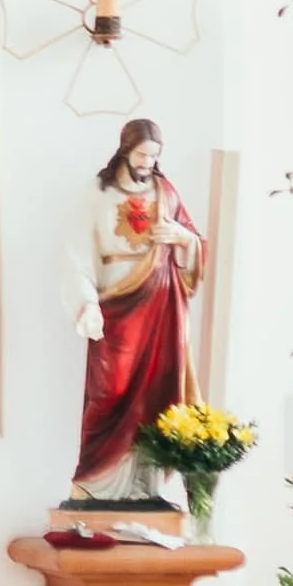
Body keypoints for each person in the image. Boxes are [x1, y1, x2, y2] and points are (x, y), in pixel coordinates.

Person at [74, 119, 204, 484]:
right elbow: (75, 254)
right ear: (125, 150)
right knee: (109, 390)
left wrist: (181, 237)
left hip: (161, 304)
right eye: (142, 154)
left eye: (154, 155)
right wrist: (85, 301)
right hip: (116, 303)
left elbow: (195, 242)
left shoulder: (166, 192)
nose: (148, 162)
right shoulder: (97, 194)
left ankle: (146, 486)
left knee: (156, 394)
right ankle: (96, 482)